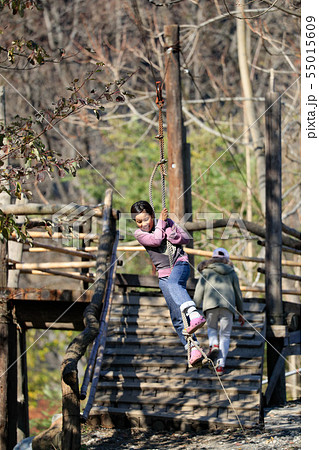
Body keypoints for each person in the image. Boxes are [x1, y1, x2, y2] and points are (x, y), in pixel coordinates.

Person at [130, 200, 206, 366]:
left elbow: (185, 238)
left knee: (174, 284)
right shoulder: (139, 234)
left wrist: (171, 232)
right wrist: (162, 224)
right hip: (164, 275)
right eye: (139, 221)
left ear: (152, 215)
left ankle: (194, 314)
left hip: (179, 264)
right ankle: (192, 348)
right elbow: (156, 240)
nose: (143, 224)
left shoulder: (166, 222)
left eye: (146, 219)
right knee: (176, 317)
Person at [193, 247, 245, 375]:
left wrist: (193, 308)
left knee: (212, 328)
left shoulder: (206, 272)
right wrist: (241, 313)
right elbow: (238, 294)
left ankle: (214, 344)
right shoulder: (232, 272)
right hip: (228, 307)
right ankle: (220, 366)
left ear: (212, 259)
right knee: (225, 335)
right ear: (226, 259)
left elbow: (198, 292)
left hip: (210, 306)